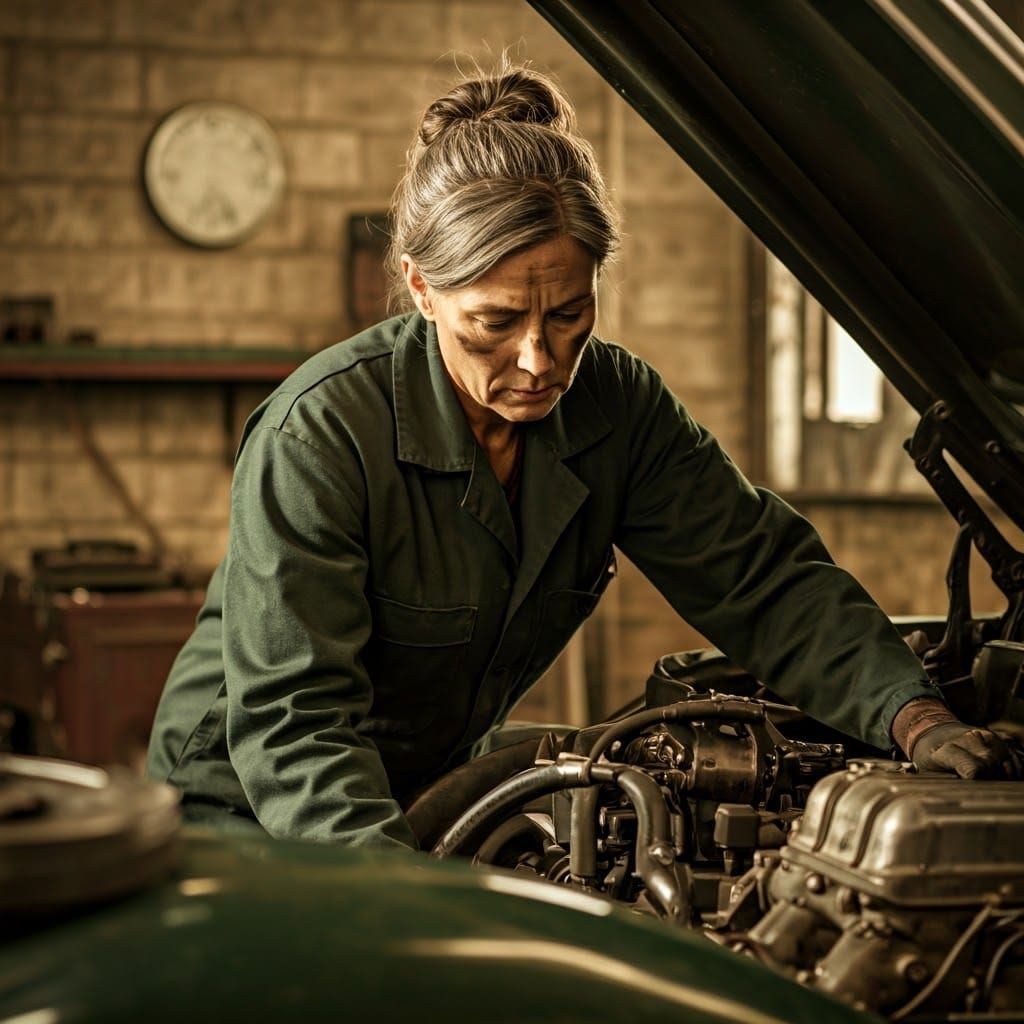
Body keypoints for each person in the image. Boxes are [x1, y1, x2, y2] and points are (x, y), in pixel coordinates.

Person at [146, 64, 1013, 850]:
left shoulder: (617, 405)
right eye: (495, 322)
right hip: (248, 818)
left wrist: (914, 717)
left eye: (567, 314)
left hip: (426, 791)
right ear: (421, 289)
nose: (539, 360)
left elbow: (760, 578)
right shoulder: (321, 434)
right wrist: (400, 906)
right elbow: (298, 725)